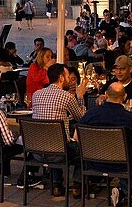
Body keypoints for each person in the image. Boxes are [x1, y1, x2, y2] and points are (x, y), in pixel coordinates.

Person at [80, 81, 132, 207]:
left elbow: (77, 138)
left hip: (93, 162)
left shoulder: (91, 114)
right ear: (125, 97)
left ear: (105, 94)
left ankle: (122, 190)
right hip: (122, 164)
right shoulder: (130, 118)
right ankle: (125, 189)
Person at [30, 64, 89, 197]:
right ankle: (77, 186)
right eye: (68, 77)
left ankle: (56, 185)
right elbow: (81, 119)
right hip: (58, 152)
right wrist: (80, 96)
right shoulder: (66, 96)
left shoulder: (36, 94)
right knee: (84, 148)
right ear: (61, 78)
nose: (69, 80)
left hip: (36, 150)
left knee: (53, 139)